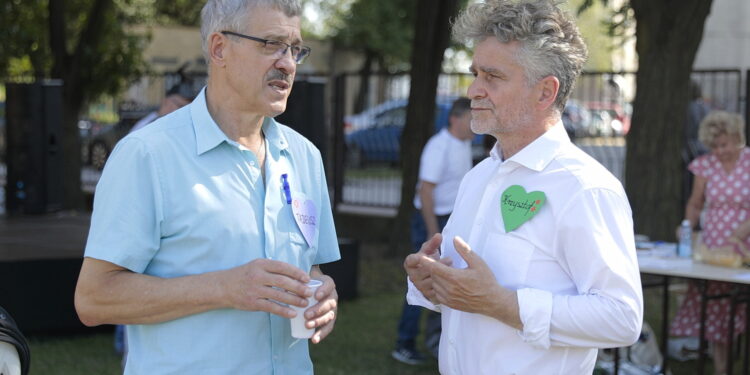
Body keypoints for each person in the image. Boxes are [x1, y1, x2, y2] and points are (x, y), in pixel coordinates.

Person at [74, 1, 340, 374]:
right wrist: (224, 288)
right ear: (219, 49)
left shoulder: (305, 156)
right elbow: (94, 299)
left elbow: (310, 271)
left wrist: (323, 294)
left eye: (295, 49)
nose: (288, 63)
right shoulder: (148, 154)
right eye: (272, 44)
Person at [403, 1, 644, 373]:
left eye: (492, 77)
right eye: (475, 73)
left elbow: (622, 318)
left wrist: (503, 304)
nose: (473, 90)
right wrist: (433, 280)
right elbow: (468, 294)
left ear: (545, 92)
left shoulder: (586, 189)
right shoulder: (479, 176)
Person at [392, 97, 474, 365]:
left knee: (446, 281)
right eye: (469, 119)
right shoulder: (439, 146)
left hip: (449, 219)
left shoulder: (464, 144)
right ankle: (404, 343)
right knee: (422, 281)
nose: (474, 124)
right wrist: (432, 233)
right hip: (431, 221)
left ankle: (434, 339)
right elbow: (425, 191)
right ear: (455, 119)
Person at [670, 110, 749, 375]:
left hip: (745, 243)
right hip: (717, 244)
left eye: (724, 144)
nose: (720, 151)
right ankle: (721, 368)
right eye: (715, 146)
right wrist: (687, 227)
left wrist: (742, 231)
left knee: (740, 300)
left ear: (737, 137)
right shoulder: (705, 165)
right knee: (717, 307)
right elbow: (695, 203)